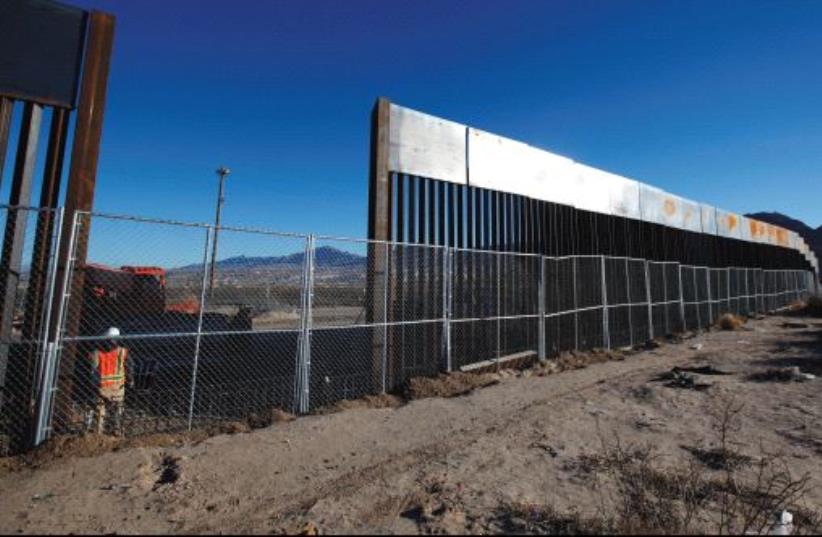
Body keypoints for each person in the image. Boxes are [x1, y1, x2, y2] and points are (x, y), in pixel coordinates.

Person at [89, 327, 129, 435]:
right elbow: (129, 366)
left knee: (100, 411)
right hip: (118, 387)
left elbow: (92, 371)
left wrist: (92, 385)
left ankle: (98, 433)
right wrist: (131, 380)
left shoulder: (96, 353)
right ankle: (117, 431)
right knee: (118, 410)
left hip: (101, 388)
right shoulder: (122, 351)